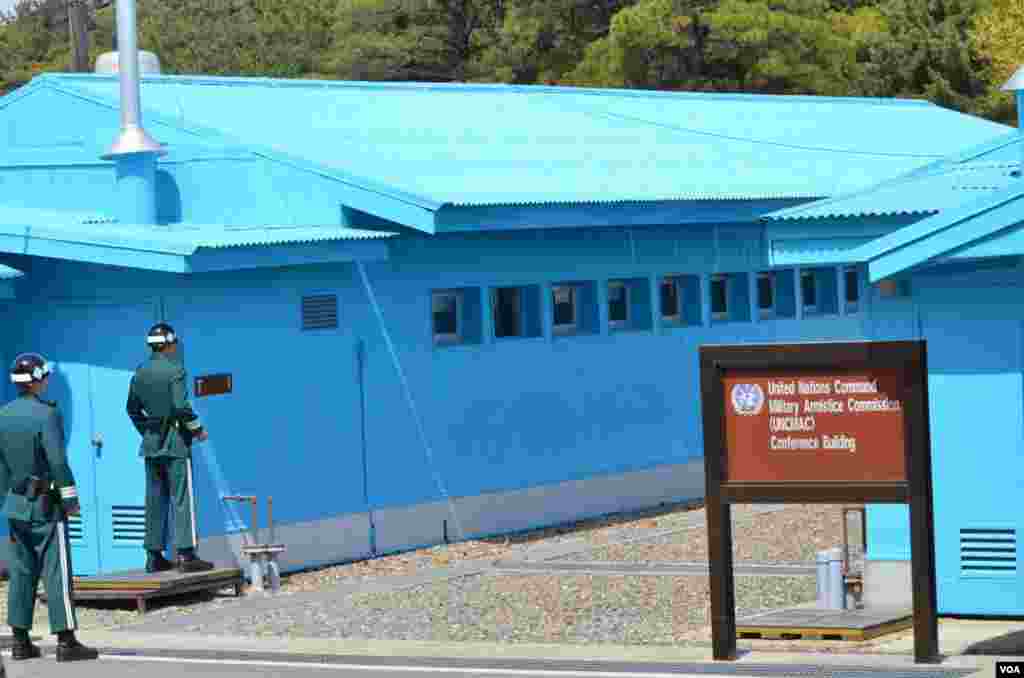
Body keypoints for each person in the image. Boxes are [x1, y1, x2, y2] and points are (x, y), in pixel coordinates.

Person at [0, 353, 98, 663]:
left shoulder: (3, 414)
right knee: (56, 571)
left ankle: (20, 641)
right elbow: (57, 461)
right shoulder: (47, 414)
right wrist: (70, 500)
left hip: (15, 505)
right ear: (38, 379)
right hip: (45, 505)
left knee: (21, 571)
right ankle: (66, 641)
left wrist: (6, 500)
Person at [126, 323, 214, 574]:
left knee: (154, 499)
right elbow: (180, 406)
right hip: (175, 441)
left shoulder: (140, 371)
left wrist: (148, 430)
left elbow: (132, 408)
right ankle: (186, 554)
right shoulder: (175, 370)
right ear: (169, 344)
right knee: (181, 497)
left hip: (151, 443)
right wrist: (197, 429)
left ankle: (153, 556)